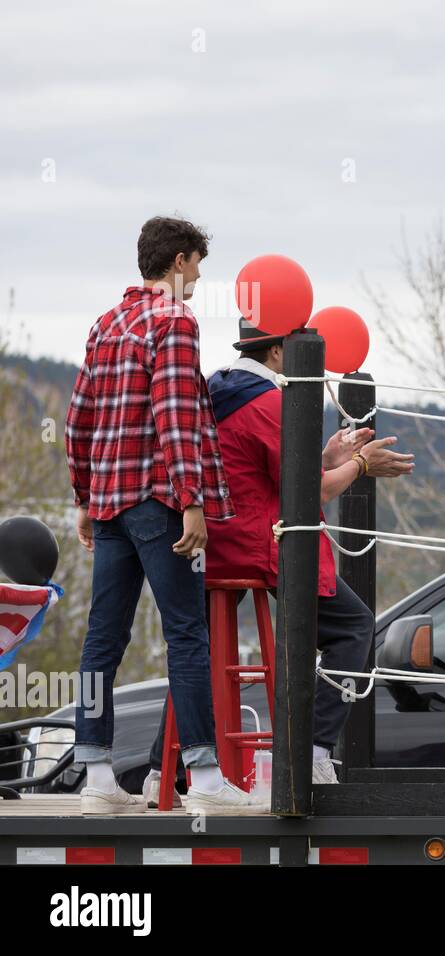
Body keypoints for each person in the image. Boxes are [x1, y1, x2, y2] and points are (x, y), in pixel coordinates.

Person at [141, 317, 415, 806]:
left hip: (204, 544)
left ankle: (158, 770)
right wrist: (362, 465)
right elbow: (309, 496)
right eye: (302, 349)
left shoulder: (215, 389)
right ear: (277, 354)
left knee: (192, 651)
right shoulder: (271, 403)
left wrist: (327, 456)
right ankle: (312, 753)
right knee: (354, 627)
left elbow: (271, 469)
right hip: (255, 543)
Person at [66, 216, 250, 813]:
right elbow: (174, 415)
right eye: (196, 263)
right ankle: (205, 778)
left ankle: (95, 773)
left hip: (110, 503)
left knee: (102, 640)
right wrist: (192, 501)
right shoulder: (174, 320)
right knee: (187, 636)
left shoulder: (107, 323)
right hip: (160, 501)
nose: (198, 275)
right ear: (178, 261)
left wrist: (84, 501)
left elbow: (77, 424)